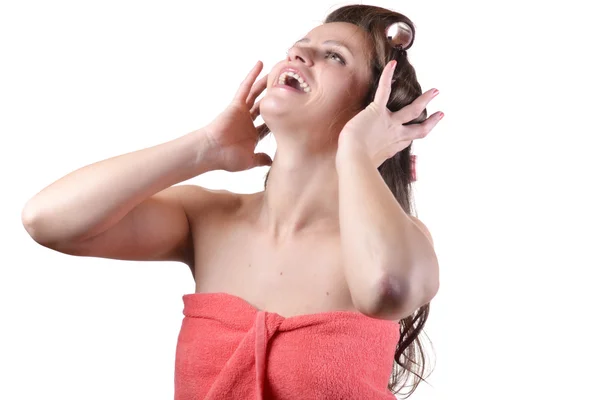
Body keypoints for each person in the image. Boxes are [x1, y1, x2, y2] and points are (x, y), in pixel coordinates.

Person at [21, 4, 442, 399]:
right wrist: (204, 148)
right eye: (298, 49)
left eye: (333, 56)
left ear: (376, 109)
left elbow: (387, 289)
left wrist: (355, 153)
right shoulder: (206, 220)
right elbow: (47, 220)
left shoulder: (399, 241)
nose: (298, 56)